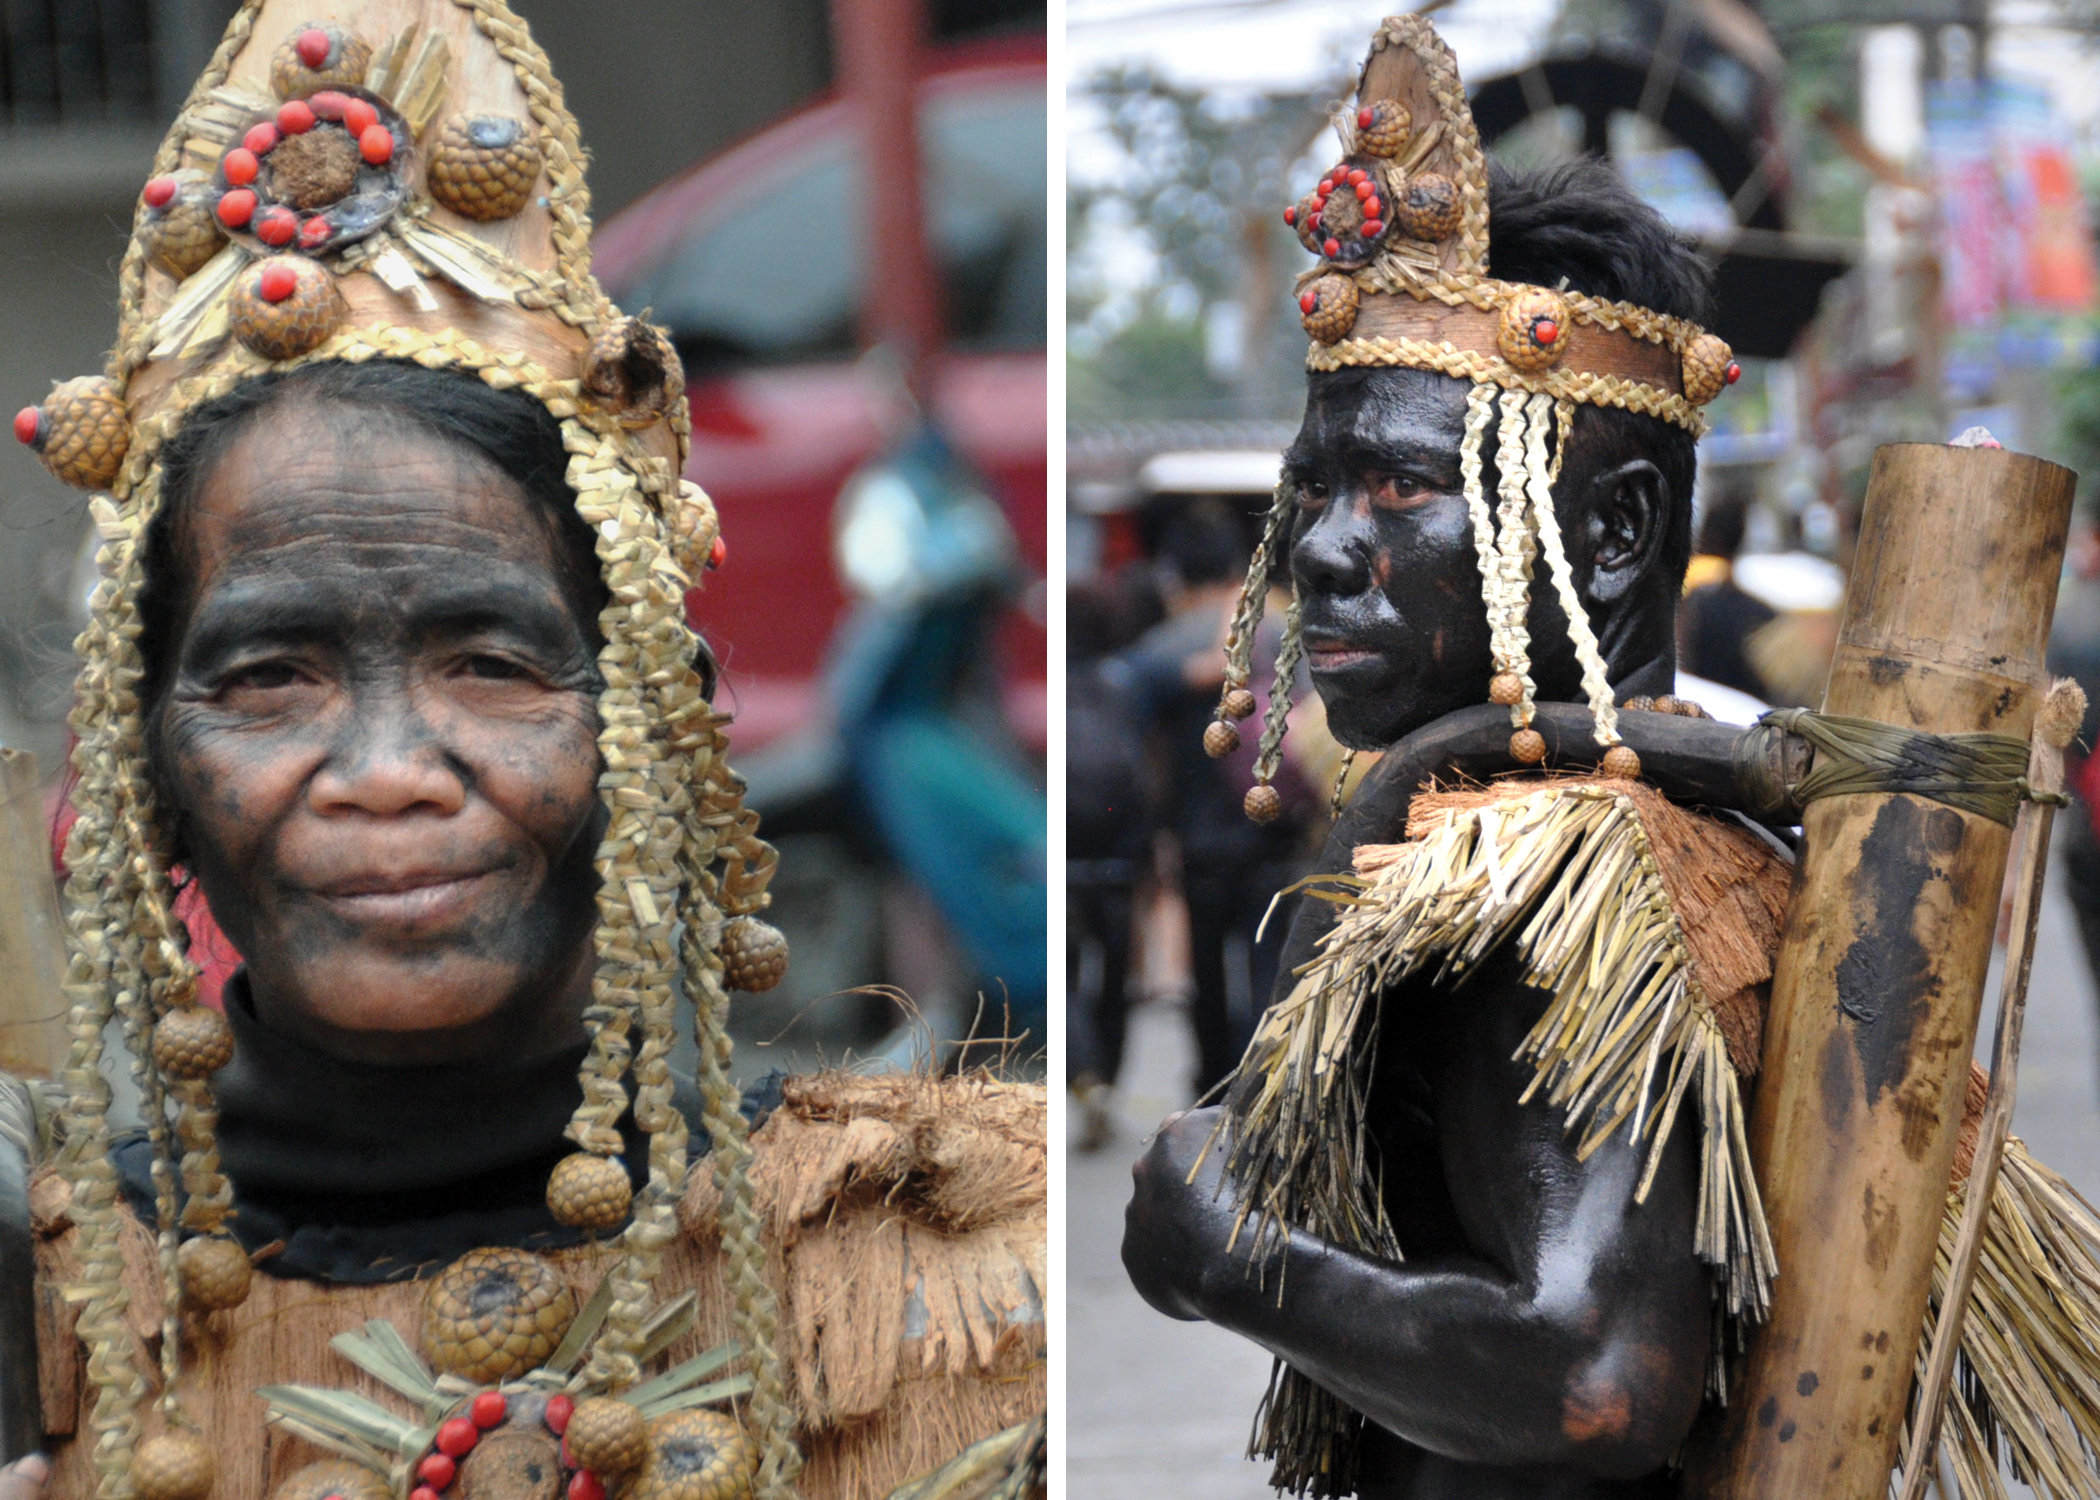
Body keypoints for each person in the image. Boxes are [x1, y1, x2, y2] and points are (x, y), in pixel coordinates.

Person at [6, 6, 1044, 1498]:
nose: (386, 771)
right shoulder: (50, 1307)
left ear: (653, 727)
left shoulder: (956, 1279)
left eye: (490, 666)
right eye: (272, 677)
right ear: (146, 763)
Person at [1121, 17, 2100, 1500]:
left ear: (1620, 530)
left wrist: (1231, 1260)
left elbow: (1594, 1379)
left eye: (1403, 486)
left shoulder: (1547, 883)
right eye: (1313, 485)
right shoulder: (1665, 811)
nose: (1324, 549)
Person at [1112, 499, 1311, 1101]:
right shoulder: (1287, 636)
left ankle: (1211, 1083)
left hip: (1197, 840)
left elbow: (1136, 755)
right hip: (1278, 831)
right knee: (1271, 963)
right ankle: (1268, 1082)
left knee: (1206, 972)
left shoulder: (1155, 653)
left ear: (1173, 574)